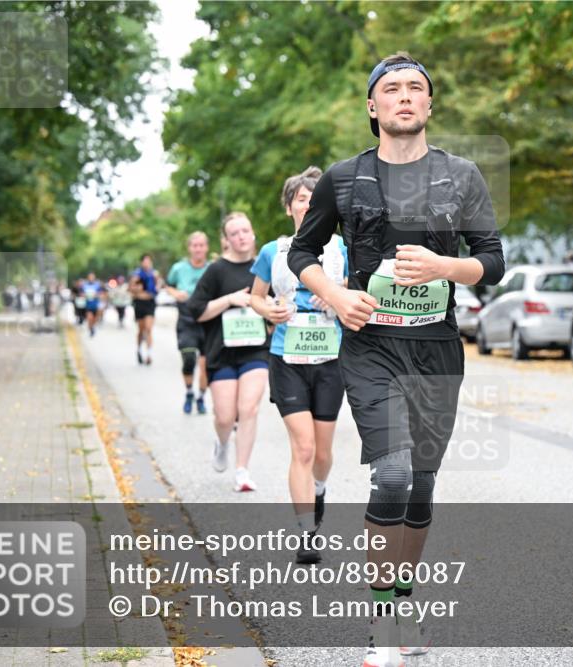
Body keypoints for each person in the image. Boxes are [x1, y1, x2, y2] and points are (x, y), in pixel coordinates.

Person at [287, 53, 505, 666]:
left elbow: (492, 260)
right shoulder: (343, 178)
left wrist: (445, 267)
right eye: (392, 89)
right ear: (373, 107)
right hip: (371, 347)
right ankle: (384, 628)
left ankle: (402, 601)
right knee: (394, 473)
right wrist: (333, 296)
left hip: (436, 347)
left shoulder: (461, 177)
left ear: (430, 105)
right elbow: (304, 251)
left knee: (422, 487)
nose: (404, 97)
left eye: (416, 89)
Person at [251, 166, 349, 565]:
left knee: (323, 453)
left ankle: (320, 488)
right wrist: (269, 309)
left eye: (315, 199)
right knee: (303, 446)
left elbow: (363, 286)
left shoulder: (342, 248)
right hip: (286, 356)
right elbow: (254, 296)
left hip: (331, 357)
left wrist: (338, 293)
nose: (308, 205)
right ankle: (307, 533)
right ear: (289, 207)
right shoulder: (273, 252)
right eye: (301, 199)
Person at [187, 212, 271, 492]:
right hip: (221, 352)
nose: (241, 237)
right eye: (234, 233)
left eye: (245, 230)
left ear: (253, 233)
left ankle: (242, 471)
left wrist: (271, 307)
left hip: (255, 352)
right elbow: (197, 312)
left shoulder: (266, 266)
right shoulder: (216, 271)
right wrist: (229, 300)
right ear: (226, 239)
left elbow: (278, 306)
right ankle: (222, 443)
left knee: (248, 409)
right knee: (225, 417)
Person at [166, 232, 212, 415]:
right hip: (186, 320)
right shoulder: (178, 268)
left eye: (201, 245)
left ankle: (201, 397)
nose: (198, 249)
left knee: (205, 364)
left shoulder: (213, 268)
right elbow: (168, 285)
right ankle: (189, 393)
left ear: (206, 247)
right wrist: (175, 293)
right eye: (195, 245)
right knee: (189, 359)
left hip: (208, 320)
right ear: (189, 248)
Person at [129, 254, 160, 365]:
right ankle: (139, 349)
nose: (147, 263)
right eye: (145, 261)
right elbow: (131, 289)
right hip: (139, 304)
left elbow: (158, 288)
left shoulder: (154, 274)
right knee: (141, 330)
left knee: (149, 328)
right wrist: (138, 290)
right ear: (142, 262)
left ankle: (149, 354)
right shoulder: (137, 275)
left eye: (149, 261)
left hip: (150, 303)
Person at [80, 272, 105, 337]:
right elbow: (81, 294)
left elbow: (102, 294)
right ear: (88, 278)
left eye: (92, 277)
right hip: (88, 305)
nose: (91, 278)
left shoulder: (97, 285)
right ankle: (91, 329)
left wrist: (96, 295)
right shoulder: (84, 285)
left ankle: (92, 327)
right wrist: (85, 295)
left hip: (96, 304)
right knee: (89, 318)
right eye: (90, 277)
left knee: (95, 319)